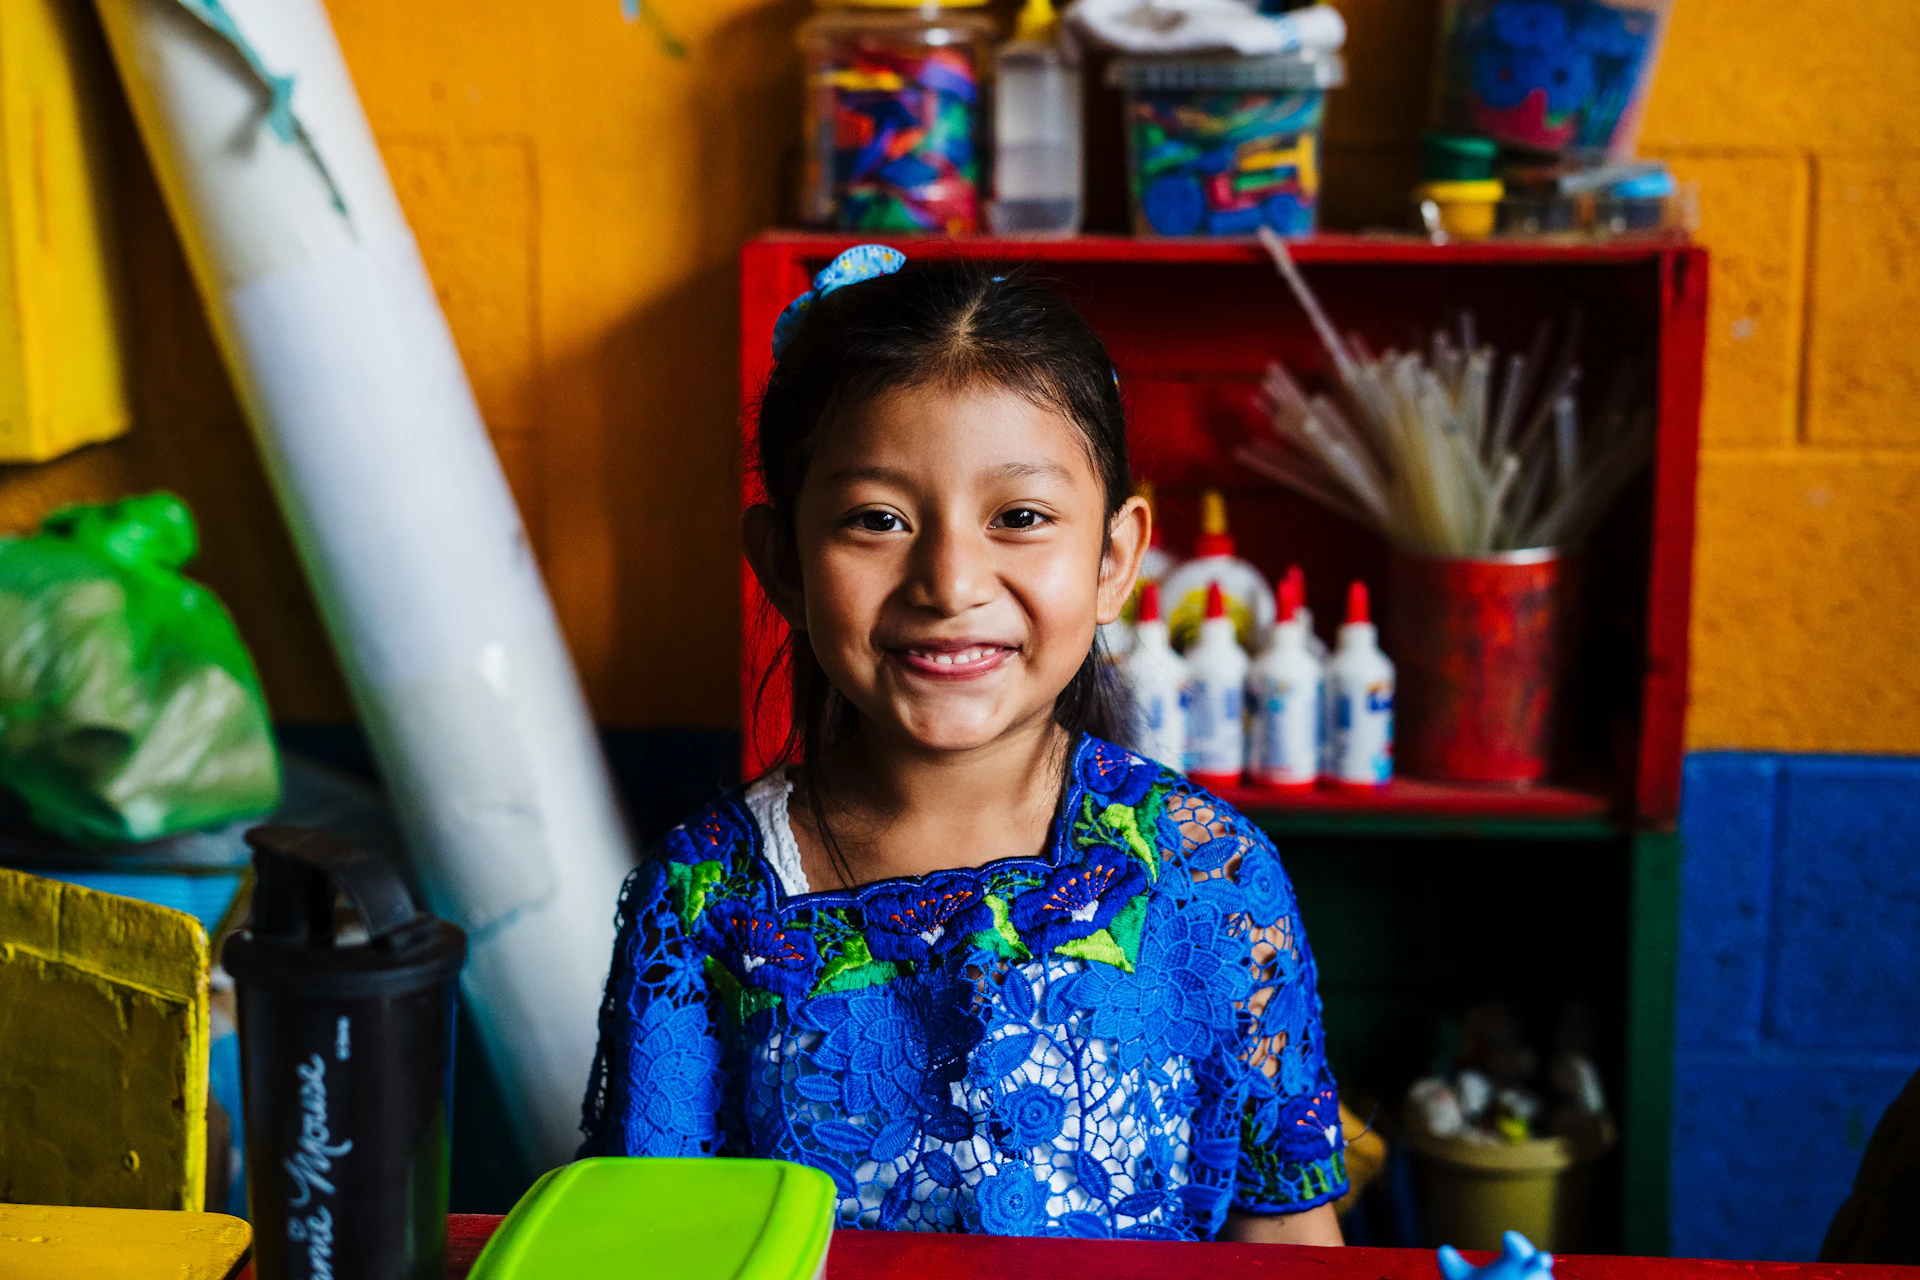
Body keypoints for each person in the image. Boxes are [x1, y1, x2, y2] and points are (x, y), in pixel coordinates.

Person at [578, 245, 1347, 1243]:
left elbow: (1286, 1243)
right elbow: (649, 1250)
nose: (950, 580)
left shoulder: (1208, 876)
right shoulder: (702, 903)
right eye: (878, 519)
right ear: (784, 564)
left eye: (1019, 517)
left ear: (1114, 558)